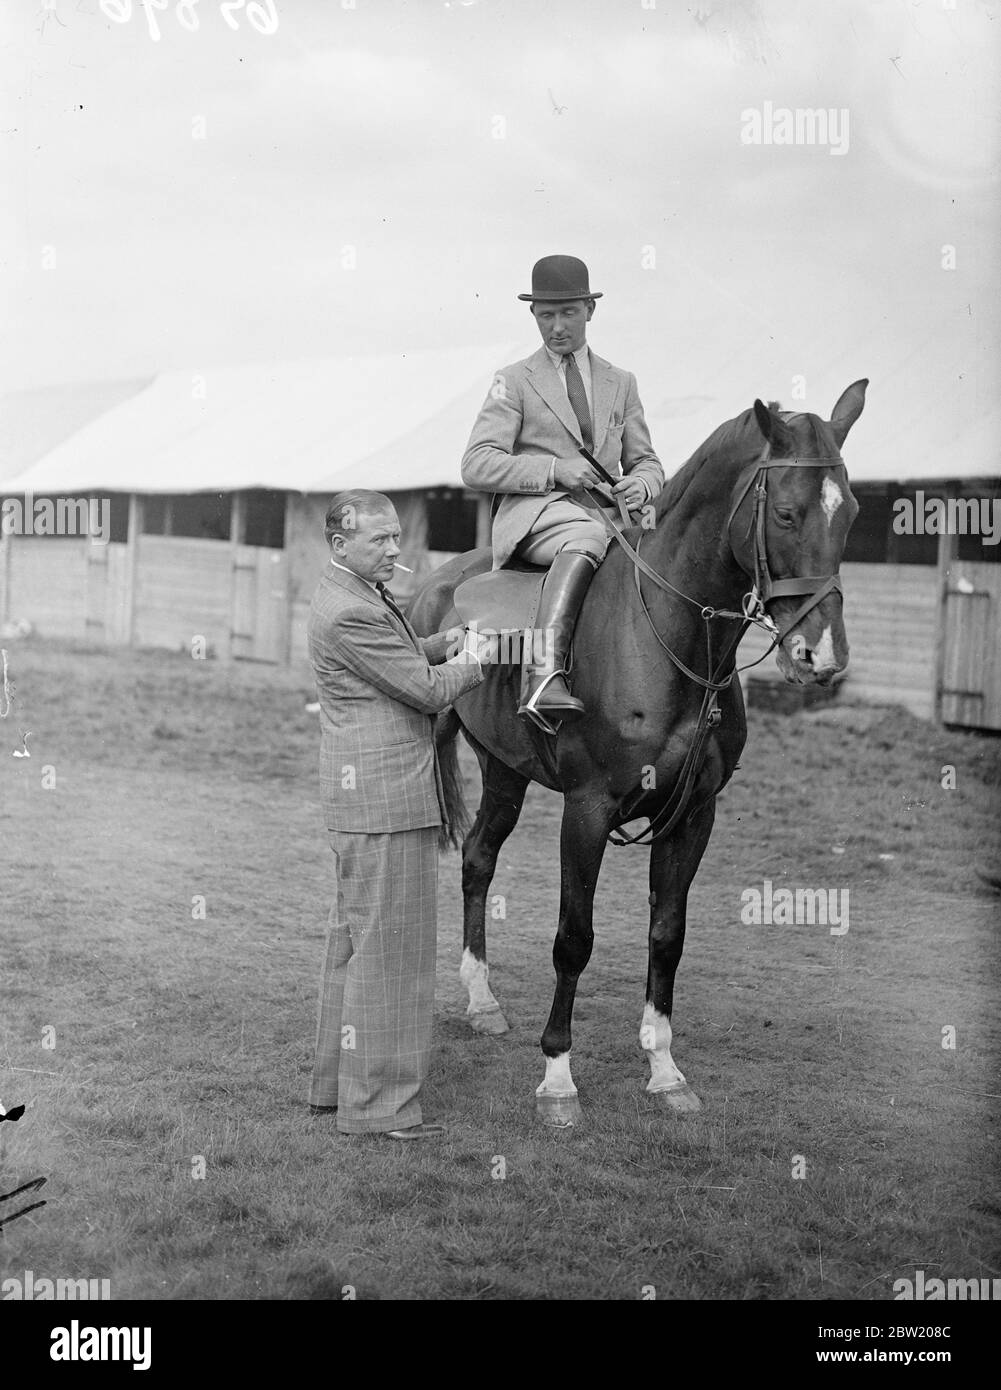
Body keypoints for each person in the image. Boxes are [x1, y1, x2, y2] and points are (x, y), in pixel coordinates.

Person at [306, 490, 494, 1140]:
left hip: (368, 802)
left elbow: (402, 652)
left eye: (395, 536)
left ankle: (337, 1089)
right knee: (396, 959)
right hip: (387, 804)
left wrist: (442, 640)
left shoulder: (353, 594)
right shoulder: (349, 612)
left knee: (356, 947)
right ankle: (380, 1109)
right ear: (340, 545)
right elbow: (423, 690)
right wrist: (476, 660)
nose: (395, 549)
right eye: (379, 540)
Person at [461, 254, 665, 732]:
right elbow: (476, 463)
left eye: (568, 313)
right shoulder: (511, 382)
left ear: (590, 310)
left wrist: (641, 482)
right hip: (538, 517)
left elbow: (648, 461)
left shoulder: (622, 382)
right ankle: (542, 676)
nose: (557, 327)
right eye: (545, 315)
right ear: (533, 315)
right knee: (586, 539)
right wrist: (555, 470)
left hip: (610, 517)